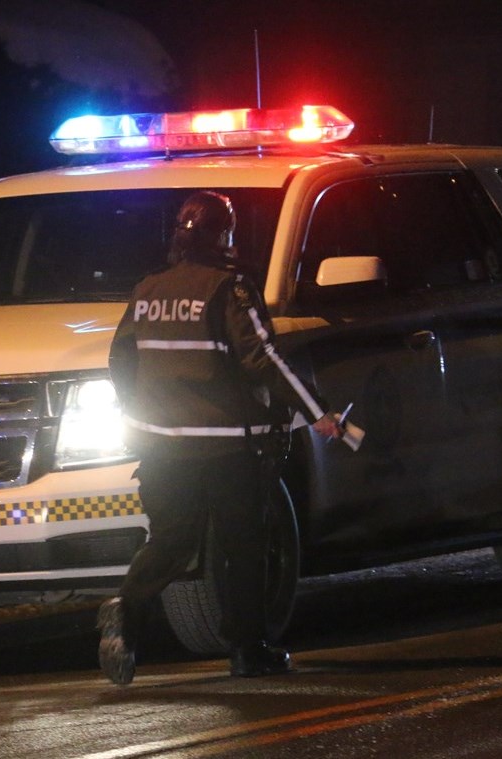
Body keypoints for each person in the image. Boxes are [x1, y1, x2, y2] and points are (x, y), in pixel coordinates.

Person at [100, 190, 342, 686]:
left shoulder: (147, 289)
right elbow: (263, 357)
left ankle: (126, 610)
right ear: (224, 235)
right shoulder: (228, 289)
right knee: (242, 546)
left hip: (162, 446)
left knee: (171, 538)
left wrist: (139, 414)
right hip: (226, 446)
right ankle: (249, 651)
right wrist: (317, 410)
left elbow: (119, 359)